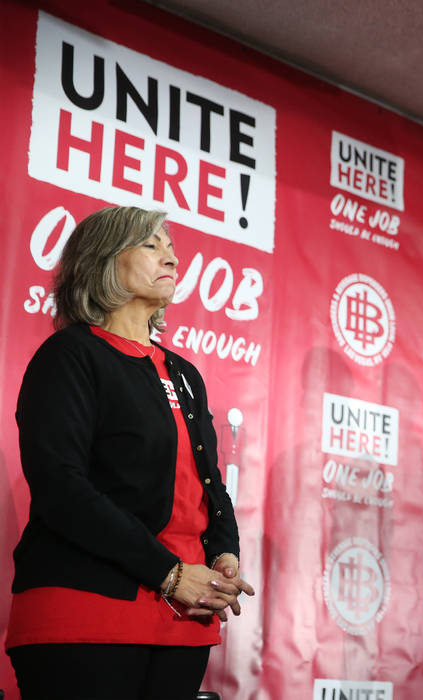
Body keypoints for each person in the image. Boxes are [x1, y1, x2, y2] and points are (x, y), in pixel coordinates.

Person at [6, 206, 255, 700]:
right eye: (152, 244)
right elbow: (61, 487)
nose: (172, 258)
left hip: (184, 615)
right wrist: (170, 573)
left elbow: (210, 485)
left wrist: (225, 551)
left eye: (172, 247)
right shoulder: (69, 356)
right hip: (86, 609)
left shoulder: (185, 374)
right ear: (103, 260)